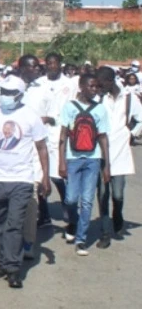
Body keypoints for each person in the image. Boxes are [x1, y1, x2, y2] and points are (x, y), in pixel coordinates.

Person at [0, 75, 50, 289]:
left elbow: (41, 148)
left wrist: (45, 176)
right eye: (3, 92)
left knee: (14, 225)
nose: (5, 97)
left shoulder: (30, 117)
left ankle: (13, 269)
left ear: (19, 95)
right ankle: (1, 260)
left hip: (21, 179)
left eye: (10, 93)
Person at [58, 74, 110, 256]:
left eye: (96, 86)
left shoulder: (101, 110)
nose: (94, 90)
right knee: (71, 199)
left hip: (92, 159)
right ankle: (73, 222)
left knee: (87, 201)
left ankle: (81, 239)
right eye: (91, 86)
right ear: (81, 86)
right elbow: (63, 136)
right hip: (73, 159)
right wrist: (61, 162)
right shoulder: (69, 107)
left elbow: (103, 138)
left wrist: (107, 166)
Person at [94, 66, 142, 249]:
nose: (98, 87)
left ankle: (118, 214)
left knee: (118, 194)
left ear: (110, 80)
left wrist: (132, 134)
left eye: (101, 84)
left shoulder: (129, 99)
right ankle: (105, 233)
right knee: (103, 193)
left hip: (121, 151)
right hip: (101, 151)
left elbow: (141, 118)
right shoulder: (100, 99)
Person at [17, 54, 52, 259]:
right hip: (11, 151)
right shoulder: (8, 88)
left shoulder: (44, 89)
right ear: (21, 67)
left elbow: (52, 117)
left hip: (35, 148)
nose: (35, 70)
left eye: (37, 66)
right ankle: (11, 243)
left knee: (31, 200)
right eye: (31, 66)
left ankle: (28, 242)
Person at [36, 53, 76, 228]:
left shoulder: (69, 84)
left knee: (59, 176)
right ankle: (44, 214)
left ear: (60, 64)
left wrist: (55, 120)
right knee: (38, 175)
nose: (52, 66)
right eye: (49, 63)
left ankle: (67, 207)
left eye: (55, 63)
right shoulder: (40, 83)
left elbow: (72, 108)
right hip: (40, 133)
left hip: (60, 132)